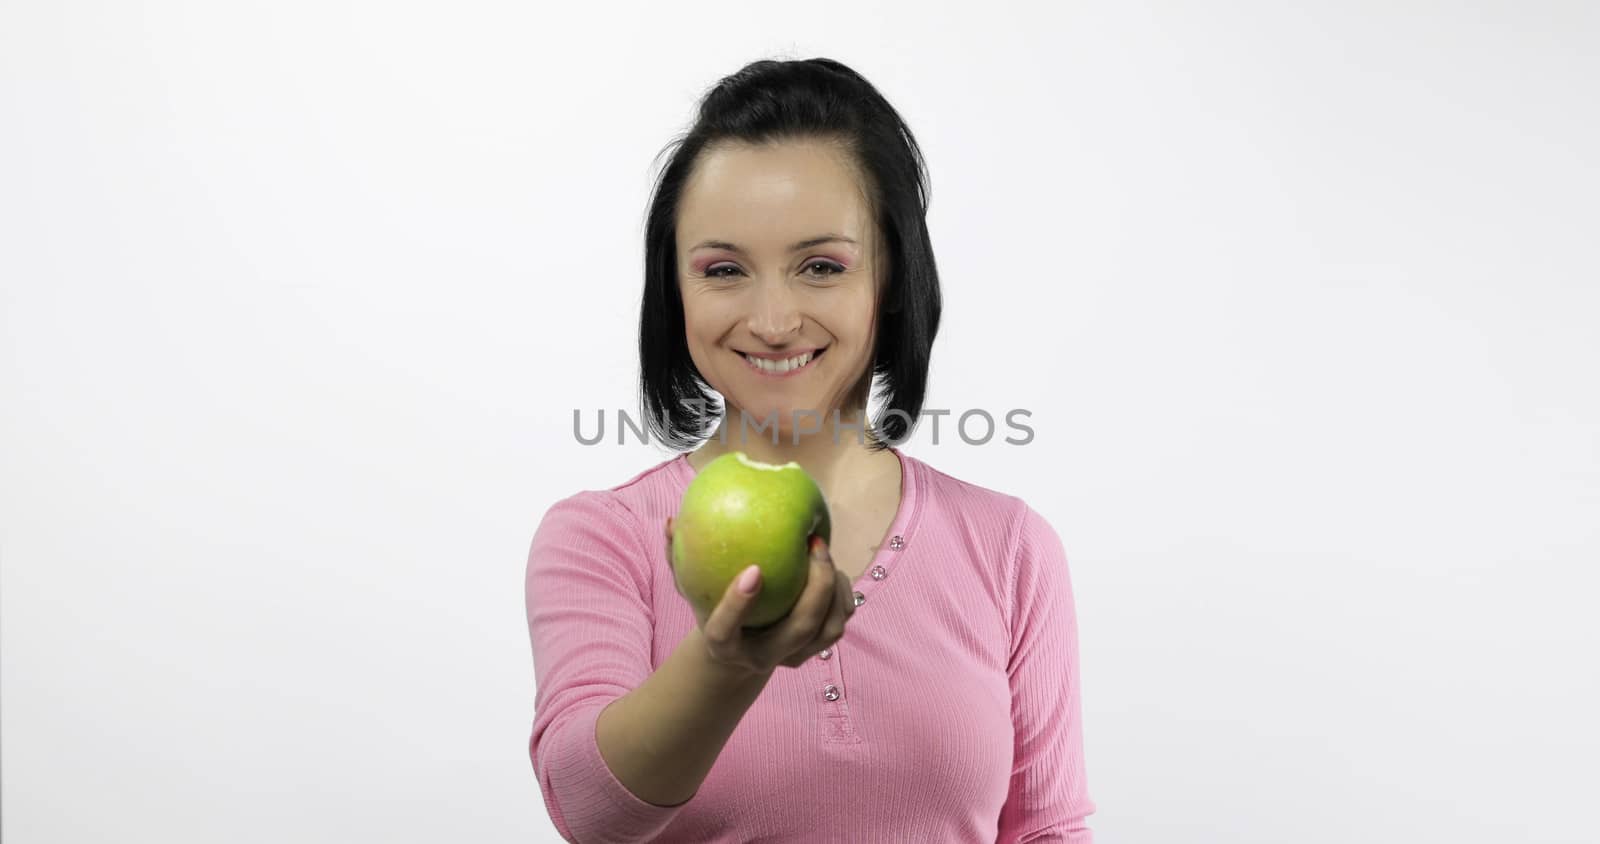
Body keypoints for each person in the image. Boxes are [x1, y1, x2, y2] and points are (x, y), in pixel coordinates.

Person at [525, 57, 1096, 843]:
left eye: (821, 267)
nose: (772, 319)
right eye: (724, 270)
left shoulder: (1008, 546)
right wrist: (729, 665)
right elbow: (590, 811)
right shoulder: (603, 537)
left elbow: (1044, 831)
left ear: (892, 277)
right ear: (675, 291)